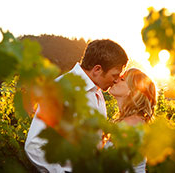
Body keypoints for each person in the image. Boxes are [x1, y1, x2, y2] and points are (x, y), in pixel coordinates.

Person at [25, 39, 128, 172]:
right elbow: (34, 145)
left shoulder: (97, 93)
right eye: (114, 75)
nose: (116, 80)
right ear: (97, 69)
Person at [108, 68, 157, 173]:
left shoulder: (130, 123)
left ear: (132, 91)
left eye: (122, 79)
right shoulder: (134, 121)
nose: (115, 80)